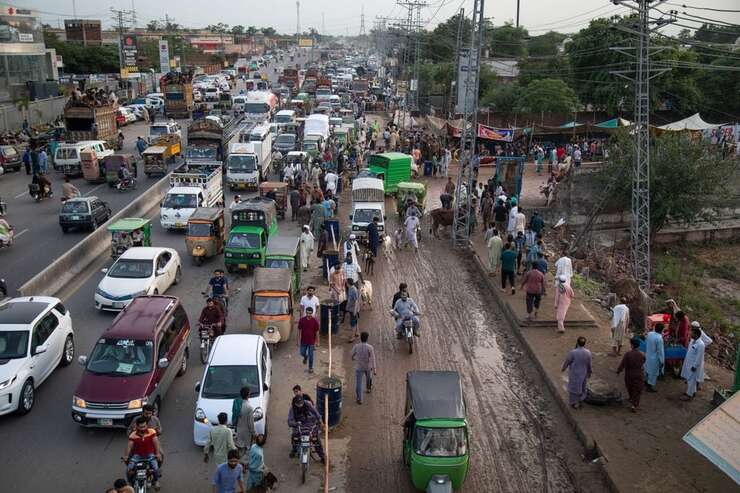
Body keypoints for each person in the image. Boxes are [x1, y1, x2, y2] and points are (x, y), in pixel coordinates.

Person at [124, 416, 162, 489]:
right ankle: (128, 483)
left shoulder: (152, 432)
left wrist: (157, 453)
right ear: (137, 426)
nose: (143, 428)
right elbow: (129, 447)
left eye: (144, 426)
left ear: (147, 425)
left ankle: (156, 481)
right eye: (140, 427)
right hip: (137, 456)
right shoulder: (133, 435)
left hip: (150, 455)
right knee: (128, 469)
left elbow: (156, 443)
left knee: (155, 468)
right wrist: (126, 456)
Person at [288, 395, 325, 463]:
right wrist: (296, 423)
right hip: (299, 426)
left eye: (301, 403)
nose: (300, 405)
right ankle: (294, 449)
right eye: (298, 404)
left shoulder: (307, 404)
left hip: (309, 424)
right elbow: (290, 421)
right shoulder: (292, 409)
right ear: (295, 403)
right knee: (294, 437)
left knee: (316, 440)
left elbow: (315, 412)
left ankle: (322, 456)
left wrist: (320, 421)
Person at [561, 337, 592, 409]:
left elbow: (567, 361)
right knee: (582, 387)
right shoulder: (588, 352)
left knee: (573, 389)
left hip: (574, 373)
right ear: (584, 344)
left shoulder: (573, 352)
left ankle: (573, 403)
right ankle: (581, 400)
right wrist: (590, 372)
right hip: (583, 373)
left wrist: (563, 368)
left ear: (577, 343)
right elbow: (589, 364)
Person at [617, 337, 646, 412]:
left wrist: (618, 371)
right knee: (637, 390)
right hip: (639, 374)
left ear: (632, 345)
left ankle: (631, 398)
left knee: (630, 387)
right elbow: (643, 362)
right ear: (638, 345)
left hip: (629, 374)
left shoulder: (628, 354)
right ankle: (634, 405)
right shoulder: (642, 354)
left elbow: (622, 364)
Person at [680, 327, 706, 401]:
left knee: (691, 380)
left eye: (692, 333)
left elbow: (699, 357)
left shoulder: (701, 344)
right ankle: (693, 392)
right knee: (690, 379)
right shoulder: (692, 341)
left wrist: (694, 366)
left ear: (697, 335)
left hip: (693, 366)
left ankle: (689, 395)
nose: (690, 334)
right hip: (688, 364)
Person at [352, 331, 377, 404]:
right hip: (368, 367)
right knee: (369, 377)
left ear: (360, 338)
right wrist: (375, 369)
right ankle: (368, 388)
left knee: (358, 383)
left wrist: (352, 357)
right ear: (367, 338)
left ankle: (360, 399)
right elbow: (373, 359)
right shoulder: (370, 347)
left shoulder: (356, 346)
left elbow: (352, 354)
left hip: (359, 367)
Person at [232, 387, 254, 458]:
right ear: (248, 395)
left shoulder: (236, 403)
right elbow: (250, 423)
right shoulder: (249, 407)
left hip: (238, 429)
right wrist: (253, 432)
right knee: (246, 452)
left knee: (239, 447)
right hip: (246, 433)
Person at [298, 306, 320, 373]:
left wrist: (317, 341)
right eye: (307, 313)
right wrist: (298, 340)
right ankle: (305, 357)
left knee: (311, 356)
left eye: (310, 313)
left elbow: (317, 332)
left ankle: (310, 368)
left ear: (312, 313)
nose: (308, 315)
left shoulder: (315, 321)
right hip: (303, 341)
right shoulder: (301, 320)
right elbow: (299, 330)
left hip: (311, 342)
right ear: (305, 312)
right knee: (302, 353)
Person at [645, 323, 665, 392]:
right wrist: (662, 361)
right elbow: (660, 351)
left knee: (647, 369)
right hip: (654, 358)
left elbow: (646, 341)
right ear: (662, 330)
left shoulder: (650, 334)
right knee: (653, 373)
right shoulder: (659, 338)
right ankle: (649, 387)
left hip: (648, 354)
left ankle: (646, 382)